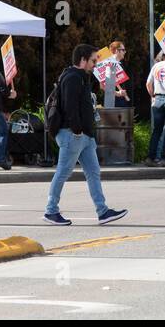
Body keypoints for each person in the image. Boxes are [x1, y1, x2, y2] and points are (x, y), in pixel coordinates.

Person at [44, 44, 127, 226]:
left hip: (85, 136)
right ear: (82, 60)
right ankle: (51, 210)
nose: (95, 63)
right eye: (93, 60)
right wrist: (77, 130)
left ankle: (103, 211)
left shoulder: (81, 77)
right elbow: (69, 106)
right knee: (63, 172)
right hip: (73, 134)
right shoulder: (72, 77)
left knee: (93, 172)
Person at [101, 40, 131, 108]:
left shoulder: (119, 65)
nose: (125, 52)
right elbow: (102, 86)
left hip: (121, 100)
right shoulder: (107, 65)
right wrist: (117, 94)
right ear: (117, 51)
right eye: (123, 50)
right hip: (112, 101)